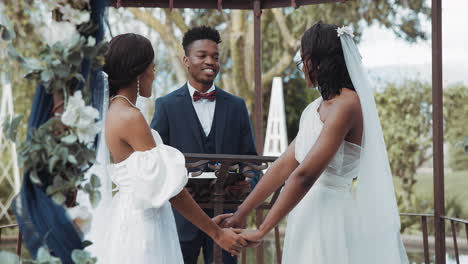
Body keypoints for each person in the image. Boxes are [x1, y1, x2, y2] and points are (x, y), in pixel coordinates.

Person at [223, 23, 410, 264]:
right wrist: (241, 214)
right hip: (305, 216)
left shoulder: (347, 105)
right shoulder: (314, 108)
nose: (302, 68)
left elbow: (305, 175)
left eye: (303, 60)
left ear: (317, 62)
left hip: (331, 219)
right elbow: (282, 166)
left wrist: (262, 229)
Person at [88, 33, 247, 264]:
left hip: (131, 213)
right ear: (139, 72)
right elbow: (171, 188)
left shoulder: (113, 111)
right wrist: (217, 234)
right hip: (144, 224)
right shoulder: (130, 117)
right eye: (153, 68)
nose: (155, 74)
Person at [150, 26, 258, 264]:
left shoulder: (237, 106)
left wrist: (248, 189)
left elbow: (251, 160)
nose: (211, 61)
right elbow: (155, 161)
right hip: (180, 219)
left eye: (216, 57)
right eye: (203, 56)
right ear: (187, 60)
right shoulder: (166, 106)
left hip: (227, 218)